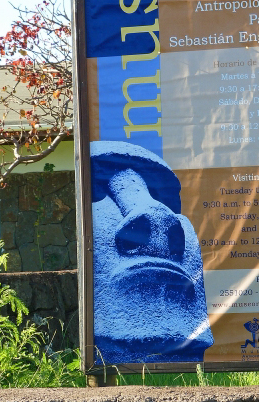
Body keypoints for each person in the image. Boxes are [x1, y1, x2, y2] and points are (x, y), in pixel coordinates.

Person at [90, 140, 213, 363]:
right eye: (98, 193)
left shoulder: (179, 226)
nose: (160, 228)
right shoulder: (97, 219)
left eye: (157, 195)